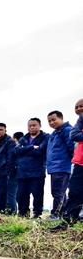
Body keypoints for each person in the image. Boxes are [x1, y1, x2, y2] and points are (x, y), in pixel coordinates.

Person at [51, 99, 83, 231]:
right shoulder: (81, 119)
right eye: (77, 107)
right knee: (74, 192)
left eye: (82, 106)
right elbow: (74, 135)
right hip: (80, 162)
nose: (79, 109)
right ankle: (68, 222)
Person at [14, 118, 48, 218]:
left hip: (37, 172)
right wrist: (32, 147)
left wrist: (24, 149)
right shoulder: (23, 138)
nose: (32, 127)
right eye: (30, 125)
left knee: (37, 195)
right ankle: (23, 214)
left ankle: (37, 214)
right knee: (21, 195)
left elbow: (40, 151)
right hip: (22, 172)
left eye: (34, 125)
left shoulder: (45, 137)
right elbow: (16, 151)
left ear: (40, 126)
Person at [46, 110, 74, 219]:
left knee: (58, 192)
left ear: (61, 118)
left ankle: (56, 214)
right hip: (54, 168)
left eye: (54, 120)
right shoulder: (54, 133)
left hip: (62, 166)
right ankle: (63, 214)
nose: (52, 122)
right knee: (57, 192)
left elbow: (73, 148)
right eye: (49, 121)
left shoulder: (66, 130)